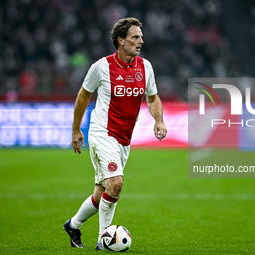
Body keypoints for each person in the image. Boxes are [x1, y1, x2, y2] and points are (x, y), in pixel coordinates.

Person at [63, 17, 167, 251]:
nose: (141, 41)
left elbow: (152, 97)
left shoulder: (145, 66)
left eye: (141, 36)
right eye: (135, 37)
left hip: (124, 139)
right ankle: (104, 240)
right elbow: (83, 95)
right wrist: (76, 129)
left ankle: (73, 224)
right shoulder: (101, 67)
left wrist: (158, 120)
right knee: (116, 183)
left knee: (102, 194)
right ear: (121, 41)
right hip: (102, 133)